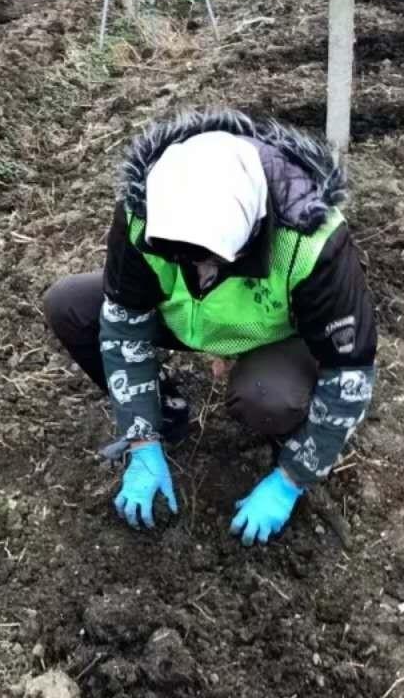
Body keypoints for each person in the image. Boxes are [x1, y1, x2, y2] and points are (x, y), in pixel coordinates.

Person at [43, 111, 378, 546]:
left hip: (276, 333)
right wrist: (141, 438)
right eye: (182, 256)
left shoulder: (310, 240)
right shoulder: (144, 212)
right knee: (69, 305)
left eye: (210, 258)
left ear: (252, 229)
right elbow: (124, 326)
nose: (198, 269)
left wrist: (293, 478)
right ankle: (167, 411)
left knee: (269, 397)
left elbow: (349, 370)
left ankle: (286, 450)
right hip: (185, 318)